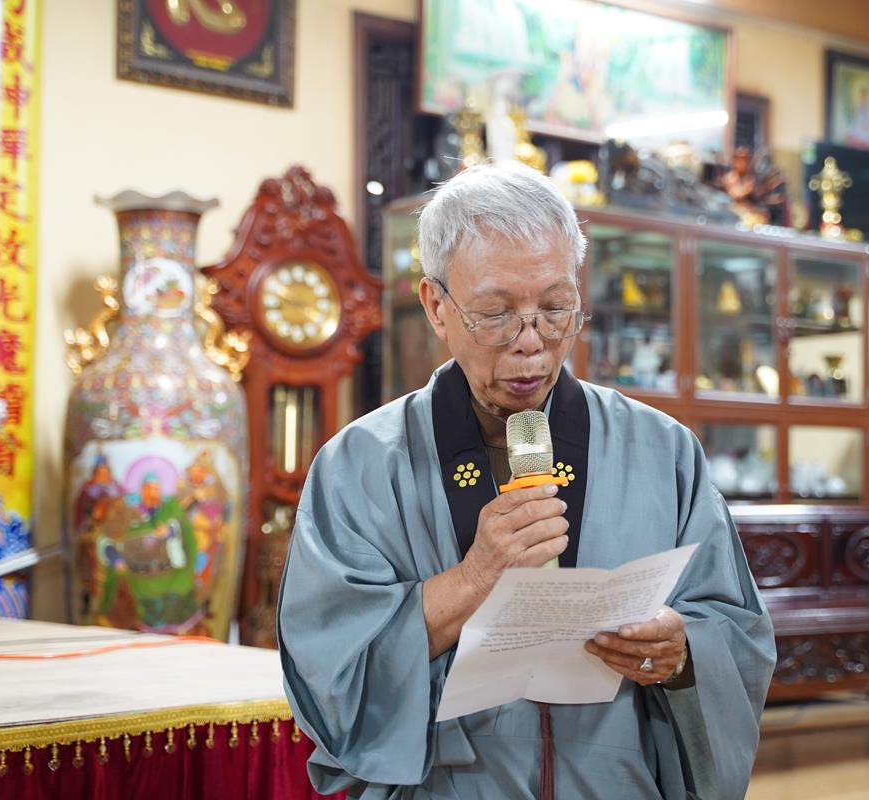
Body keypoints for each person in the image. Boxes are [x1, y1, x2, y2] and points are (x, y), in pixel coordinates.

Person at [278, 161, 775, 799]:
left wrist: (681, 652)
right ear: (435, 306)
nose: (531, 343)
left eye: (556, 308)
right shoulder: (359, 465)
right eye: (495, 314)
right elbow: (327, 663)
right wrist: (475, 577)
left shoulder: (662, 449)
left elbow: (736, 631)